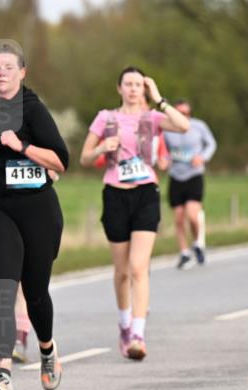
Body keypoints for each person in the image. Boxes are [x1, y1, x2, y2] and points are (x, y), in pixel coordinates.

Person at [0, 44, 68, 390]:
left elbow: (60, 161)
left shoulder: (34, 111)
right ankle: (3, 375)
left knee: (36, 292)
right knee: (3, 291)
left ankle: (47, 348)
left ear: (22, 72)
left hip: (38, 209)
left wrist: (22, 146)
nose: (1, 73)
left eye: (8, 67)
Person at [80, 66, 190, 361]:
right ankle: (125, 324)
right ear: (119, 88)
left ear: (144, 90)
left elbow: (183, 126)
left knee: (139, 267)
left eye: (138, 85)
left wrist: (159, 98)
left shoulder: (152, 118)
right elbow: (84, 157)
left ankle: (139, 335)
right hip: (115, 194)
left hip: (145, 194)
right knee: (122, 271)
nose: (132, 89)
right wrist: (103, 146)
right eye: (128, 84)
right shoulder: (106, 118)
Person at [164, 99, 216, 269]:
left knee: (192, 215)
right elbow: (162, 150)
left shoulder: (199, 126)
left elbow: (211, 144)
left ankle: (197, 243)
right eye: (179, 113)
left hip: (194, 175)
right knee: (179, 217)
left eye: (186, 113)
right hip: (176, 176)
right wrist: (164, 160)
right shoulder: (167, 129)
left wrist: (202, 157)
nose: (183, 116)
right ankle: (184, 252)